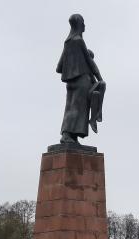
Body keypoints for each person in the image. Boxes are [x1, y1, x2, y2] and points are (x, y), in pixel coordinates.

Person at [56, 14, 105, 144]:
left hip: (70, 82)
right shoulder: (79, 41)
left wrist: (73, 65)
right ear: (79, 24)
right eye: (83, 22)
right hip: (82, 80)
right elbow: (90, 62)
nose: (84, 25)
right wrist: (99, 78)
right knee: (78, 108)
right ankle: (69, 134)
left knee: (71, 107)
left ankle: (71, 136)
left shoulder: (67, 43)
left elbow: (59, 67)